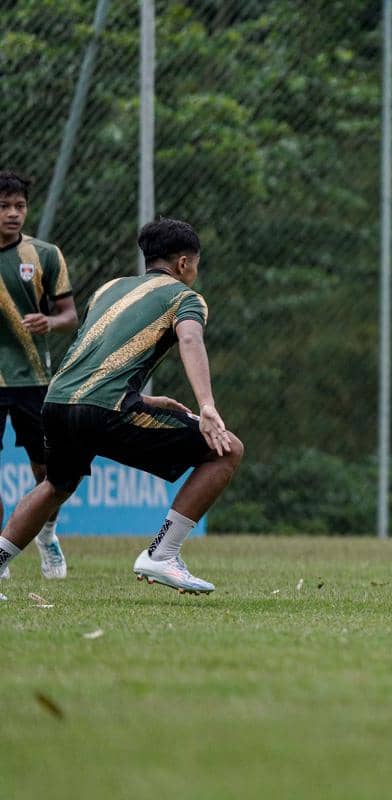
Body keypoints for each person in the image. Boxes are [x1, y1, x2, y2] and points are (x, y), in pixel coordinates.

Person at [0, 217, 242, 598]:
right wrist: (207, 405)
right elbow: (190, 340)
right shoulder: (185, 297)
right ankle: (162, 554)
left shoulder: (109, 289)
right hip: (106, 408)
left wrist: (142, 400)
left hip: (57, 402)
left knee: (56, 485)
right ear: (183, 263)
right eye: (195, 264)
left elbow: (91, 358)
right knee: (226, 450)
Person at [0, 171, 78, 585]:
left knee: (48, 473)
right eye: (3, 206)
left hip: (33, 380)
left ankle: (46, 533)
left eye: (20, 206)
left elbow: (70, 315)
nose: (13, 214)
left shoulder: (45, 254)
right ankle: (1, 554)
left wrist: (50, 321)